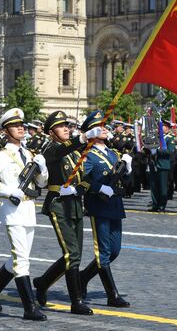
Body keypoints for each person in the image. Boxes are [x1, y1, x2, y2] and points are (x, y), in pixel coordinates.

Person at [0, 108, 49, 321]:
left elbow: (42, 183)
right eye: (15, 126)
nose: (21, 128)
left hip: (29, 210)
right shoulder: (0, 155)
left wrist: (43, 169)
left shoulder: (29, 154)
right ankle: (30, 308)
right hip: (13, 211)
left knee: (19, 258)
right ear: (5, 131)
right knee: (21, 261)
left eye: (22, 125)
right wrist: (9, 191)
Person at [33, 110, 99, 316]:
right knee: (72, 254)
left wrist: (79, 188)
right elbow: (59, 152)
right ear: (51, 132)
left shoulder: (75, 153)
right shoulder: (50, 149)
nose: (66, 129)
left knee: (74, 255)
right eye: (61, 126)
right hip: (58, 205)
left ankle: (43, 283)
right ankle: (76, 301)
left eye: (67, 126)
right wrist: (83, 137)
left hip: (74, 204)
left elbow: (87, 176)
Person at [78, 110, 132, 308]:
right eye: (98, 127)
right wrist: (99, 187)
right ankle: (112, 294)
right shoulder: (87, 154)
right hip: (98, 206)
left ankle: (83, 277)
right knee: (103, 252)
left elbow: (124, 180)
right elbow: (81, 179)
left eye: (104, 126)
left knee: (114, 251)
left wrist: (128, 169)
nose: (104, 129)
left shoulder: (113, 153)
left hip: (115, 205)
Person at [149, 120, 173, 212]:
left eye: (162, 126)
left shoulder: (169, 138)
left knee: (162, 187)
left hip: (163, 165)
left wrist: (157, 151)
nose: (159, 128)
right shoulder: (156, 138)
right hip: (154, 164)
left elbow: (170, 151)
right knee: (154, 186)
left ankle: (162, 205)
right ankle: (155, 204)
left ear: (167, 128)